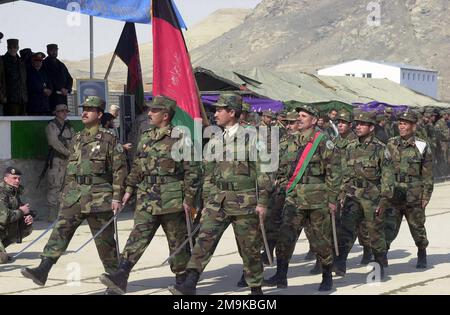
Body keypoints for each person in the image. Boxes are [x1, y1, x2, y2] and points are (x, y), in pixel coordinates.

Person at [21, 96, 127, 293]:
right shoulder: (77, 138)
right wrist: (66, 193)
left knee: (105, 242)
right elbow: (72, 168)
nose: (85, 112)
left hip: (99, 197)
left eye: (90, 109)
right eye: (84, 108)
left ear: (99, 114)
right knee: (60, 230)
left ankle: (116, 280)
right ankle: (43, 269)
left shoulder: (109, 139)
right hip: (75, 196)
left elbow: (120, 170)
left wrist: (116, 197)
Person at [169, 92, 271, 295]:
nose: (215, 114)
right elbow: (209, 172)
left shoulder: (253, 137)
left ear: (232, 112)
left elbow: (265, 171)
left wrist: (263, 202)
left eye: (219, 109)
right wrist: (207, 200)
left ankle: (255, 289)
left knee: (249, 247)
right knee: (203, 240)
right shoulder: (216, 139)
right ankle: (190, 282)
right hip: (218, 201)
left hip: (245, 202)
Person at [99, 95, 200, 295]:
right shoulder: (146, 136)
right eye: (150, 110)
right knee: (137, 236)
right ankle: (121, 275)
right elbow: (138, 166)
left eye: (154, 111)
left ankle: (183, 283)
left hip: (172, 198)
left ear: (165, 115)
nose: (149, 113)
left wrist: (189, 199)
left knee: (177, 241)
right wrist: (128, 189)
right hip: (147, 197)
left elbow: (192, 171)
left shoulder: (181, 137)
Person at [264, 104, 338, 291]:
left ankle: (327, 276)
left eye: (304, 115)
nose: (299, 118)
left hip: (317, 198)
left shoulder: (323, 141)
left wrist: (332, 199)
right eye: (299, 115)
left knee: (320, 240)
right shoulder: (291, 140)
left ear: (314, 120)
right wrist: (280, 183)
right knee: (285, 237)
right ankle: (281, 276)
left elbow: (334, 172)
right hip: (294, 197)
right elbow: (281, 167)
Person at [334, 110, 394, 279]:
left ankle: (379, 264)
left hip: (372, 196)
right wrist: (341, 194)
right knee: (346, 229)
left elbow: (388, 177)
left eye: (362, 124)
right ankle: (341, 263)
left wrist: (384, 200)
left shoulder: (381, 149)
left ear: (371, 127)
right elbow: (345, 173)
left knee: (374, 232)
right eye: (357, 124)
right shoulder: (350, 147)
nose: (358, 127)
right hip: (352, 195)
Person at [384, 110, 433, 268]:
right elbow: (384, 169)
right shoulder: (391, 143)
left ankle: (422, 252)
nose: (402, 126)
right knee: (388, 226)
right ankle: (382, 256)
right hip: (394, 193)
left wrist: (426, 195)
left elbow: (427, 173)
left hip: (414, 194)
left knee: (417, 226)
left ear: (413, 126)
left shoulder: (422, 145)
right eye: (400, 123)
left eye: (405, 123)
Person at [45, 104, 75, 222]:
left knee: (67, 186)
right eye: (61, 111)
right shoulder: (51, 126)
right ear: (56, 113)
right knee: (55, 186)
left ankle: (63, 213)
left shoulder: (69, 126)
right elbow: (54, 142)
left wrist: (73, 153)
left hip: (68, 160)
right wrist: (68, 153)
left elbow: (74, 140)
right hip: (57, 160)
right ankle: (52, 216)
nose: (64, 113)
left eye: (65, 111)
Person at [0, 167, 34, 264]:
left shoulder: (13, 192)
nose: (17, 181)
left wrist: (27, 216)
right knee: (3, 260)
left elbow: (18, 209)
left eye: (19, 178)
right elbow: (3, 217)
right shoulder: (1, 192)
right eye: (14, 178)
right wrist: (22, 212)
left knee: (26, 225)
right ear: (6, 179)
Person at [42, 44, 73, 112]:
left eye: (55, 50)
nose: (54, 52)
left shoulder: (61, 65)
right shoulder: (44, 64)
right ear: (48, 51)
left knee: (63, 116)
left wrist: (67, 89)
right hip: (52, 98)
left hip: (63, 97)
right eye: (52, 50)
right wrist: (60, 88)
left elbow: (69, 78)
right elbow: (48, 79)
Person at [1, 39, 27, 115]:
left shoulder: (21, 62)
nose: (12, 49)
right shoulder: (2, 60)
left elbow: (24, 81)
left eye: (14, 47)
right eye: (10, 47)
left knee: (21, 124)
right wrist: (2, 96)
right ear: (7, 48)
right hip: (9, 100)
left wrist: (25, 96)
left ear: (18, 48)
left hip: (22, 99)